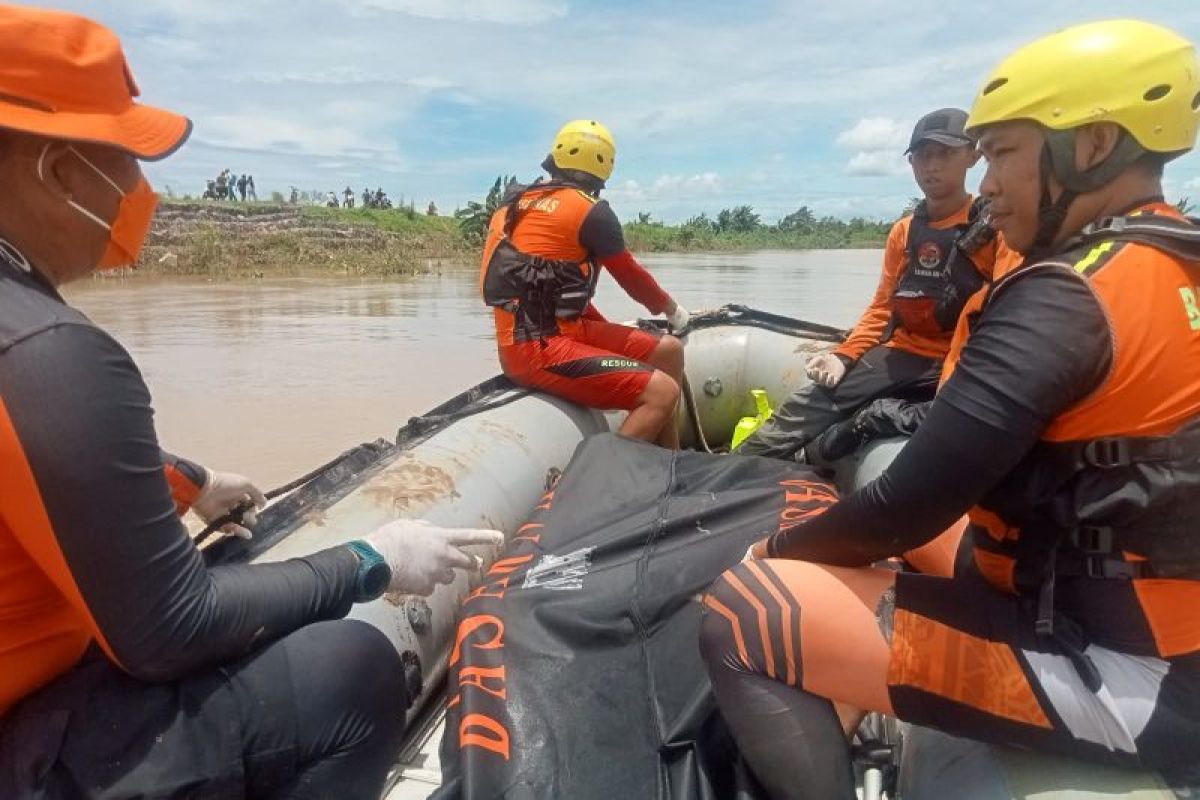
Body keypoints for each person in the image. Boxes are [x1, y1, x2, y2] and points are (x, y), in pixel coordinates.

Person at [0, 7, 503, 798]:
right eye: (126, 162)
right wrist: (373, 560)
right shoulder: (51, 350)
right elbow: (168, 632)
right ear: (60, 170)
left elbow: (36, 451)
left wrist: (190, 481)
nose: (141, 191)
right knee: (350, 670)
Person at [701, 19, 1200, 798]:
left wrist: (772, 551)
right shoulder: (1169, 258)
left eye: (1002, 152)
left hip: (1135, 681)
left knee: (743, 610)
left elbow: (904, 507)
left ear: (1096, 144)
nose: (986, 180)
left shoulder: (1068, 295)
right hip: (1133, 616)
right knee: (943, 544)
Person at [737, 108, 1017, 462]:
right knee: (807, 406)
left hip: (961, 360)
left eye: (945, 153)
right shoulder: (904, 232)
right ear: (912, 163)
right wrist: (843, 355)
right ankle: (727, 473)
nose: (932, 166)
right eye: (923, 156)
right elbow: (883, 306)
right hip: (900, 353)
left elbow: (1008, 309)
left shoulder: (997, 227)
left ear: (973, 157)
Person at [479, 119, 691, 446]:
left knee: (669, 350)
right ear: (603, 166)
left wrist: (609, 337)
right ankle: (604, 481)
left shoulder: (515, 204)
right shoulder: (592, 212)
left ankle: (669, 460)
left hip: (555, 332)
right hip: (537, 347)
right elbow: (632, 279)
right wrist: (671, 309)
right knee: (662, 393)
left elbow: (552, 288)